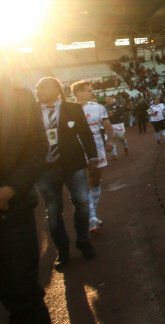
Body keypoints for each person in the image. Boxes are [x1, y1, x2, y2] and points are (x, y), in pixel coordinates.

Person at [0, 62, 51, 323]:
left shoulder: (20, 95)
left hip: (14, 210)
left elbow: (37, 145)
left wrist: (10, 189)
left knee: (24, 294)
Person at [35, 77, 98, 268]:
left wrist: (93, 157)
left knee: (81, 202)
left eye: (43, 87)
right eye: (37, 88)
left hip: (73, 164)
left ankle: (83, 240)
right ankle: (62, 249)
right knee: (53, 211)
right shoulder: (32, 112)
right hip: (45, 168)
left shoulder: (72, 108)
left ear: (56, 89)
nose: (38, 91)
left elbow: (85, 133)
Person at [71, 82, 115, 233]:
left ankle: (92, 214)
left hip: (97, 150)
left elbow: (108, 126)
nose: (92, 92)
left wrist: (110, 141)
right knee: (81, 185)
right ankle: (91, 217)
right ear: (78, 92)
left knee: (95, 181)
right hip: (77, 152)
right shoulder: (68, 109)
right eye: (89, 90)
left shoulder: (97, 107)